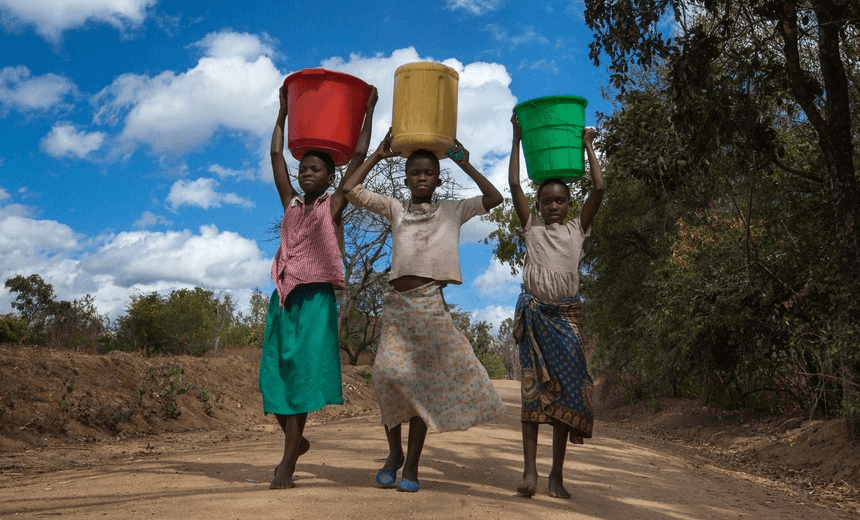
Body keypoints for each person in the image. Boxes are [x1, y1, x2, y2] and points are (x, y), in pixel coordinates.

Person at [342, 132, 506, 493]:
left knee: (419, 386)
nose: (420, 177)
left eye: (428, 172)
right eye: (414, 172)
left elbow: (494, 198)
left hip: (430, 303)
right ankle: (394, 453)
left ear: (438, 177)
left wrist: (464, 162)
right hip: (398, 307)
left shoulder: (453, 210)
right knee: (386, 378)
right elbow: (350, 189)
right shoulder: (395, 208)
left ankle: (411, 466)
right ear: (405, 179)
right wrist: (377, 156)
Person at [258, 81, 378, 489]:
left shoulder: (335, 204)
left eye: (316, 170)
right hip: (284, 298)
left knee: (305, 378)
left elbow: (360, 155)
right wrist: (283, 111)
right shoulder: (290, 203)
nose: (307, 174)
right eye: (303, 169)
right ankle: (297, 442)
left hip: (316, 302)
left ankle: (286, 464)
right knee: (273, 377)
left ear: (330, 177)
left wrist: (369, 112)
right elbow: (276, 152)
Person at [508, 114, 605, 499]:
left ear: (568, 205)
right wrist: (516, 136)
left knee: (566, 395)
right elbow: (514, 182)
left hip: (566, 320)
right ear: (538, 204)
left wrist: (587, 145)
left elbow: (599, 187)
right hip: (534, 319)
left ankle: (556, 476)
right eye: (547, 200)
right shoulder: (530, 228)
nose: (553, 206)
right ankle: (530, 473)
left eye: (560, 200)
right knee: (532, 398)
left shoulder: (577, 229)